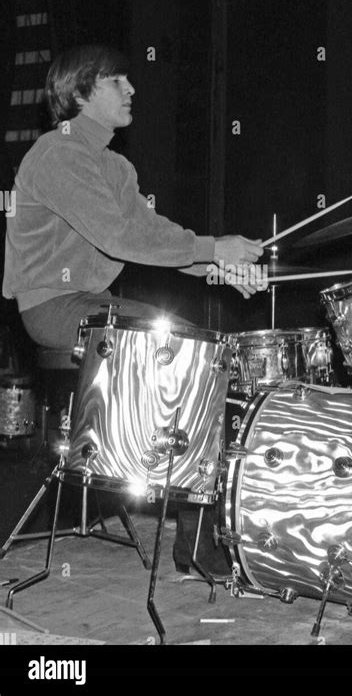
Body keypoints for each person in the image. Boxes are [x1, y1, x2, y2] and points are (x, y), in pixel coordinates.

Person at [2, 43, 266, 574]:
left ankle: (193, 523)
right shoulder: (57, 154)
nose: (133, 89)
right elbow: (119, 236)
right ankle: (193, 532)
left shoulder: (114, 165)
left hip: (92, 302)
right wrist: (215, 248)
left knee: (194, 349)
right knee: (188, 345)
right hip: (54, 306)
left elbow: (151, 236)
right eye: (117, 81)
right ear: (80, 93)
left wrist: (219, 267)